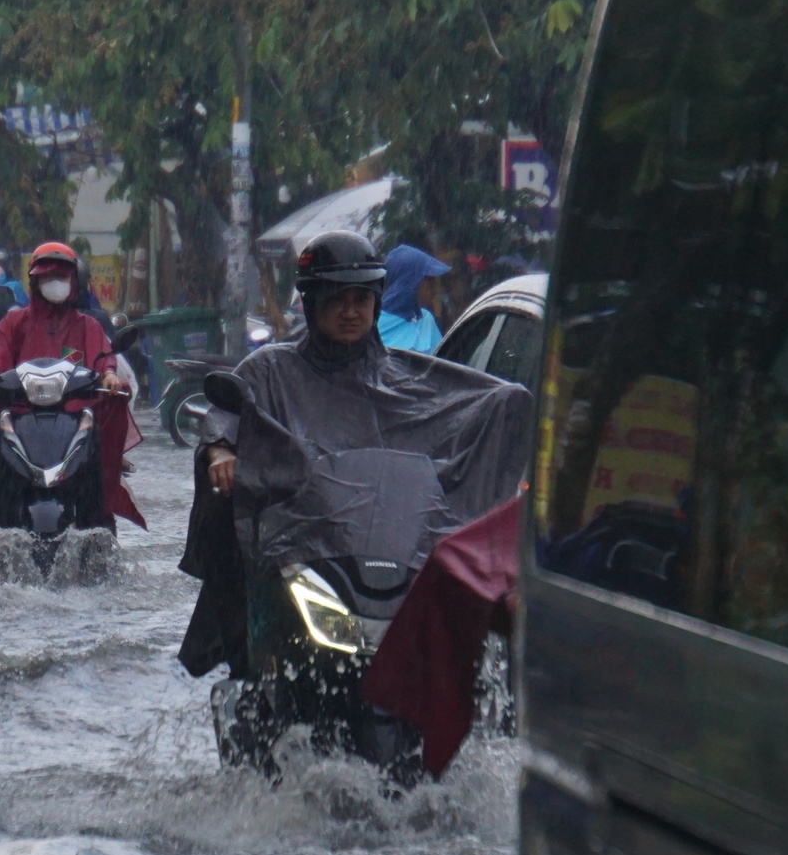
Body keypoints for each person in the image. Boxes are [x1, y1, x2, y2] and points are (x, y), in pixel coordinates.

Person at [180, 230, 532, 679]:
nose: (350, 312)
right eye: (337, 300)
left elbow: (483, 403)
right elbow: (228, 414)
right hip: (300, 550)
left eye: (360, 300)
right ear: (311, 303)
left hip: (390, 551)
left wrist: (515, 412)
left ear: (377, 303)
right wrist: (220, 451)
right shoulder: (270, 370)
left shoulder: (404, 379)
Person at [0, 242, 123, 398]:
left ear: (74, 282)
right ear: (35, 281)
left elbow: (104, 358)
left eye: (62, 277)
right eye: (48, 276)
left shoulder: (88, 326)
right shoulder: (14, 322)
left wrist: (110, 374)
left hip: (76, 412)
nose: (55, 282)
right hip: (21, 410)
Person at [376, 243, 452, 353]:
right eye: (429, 280)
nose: (435, 290)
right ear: (410, 281)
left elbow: (445, 361)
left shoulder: (426, 320)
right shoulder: (372, 324)